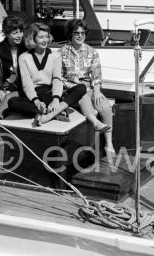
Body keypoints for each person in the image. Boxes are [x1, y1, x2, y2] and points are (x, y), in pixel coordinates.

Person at [8, 23, 86, 126]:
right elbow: (27, 83)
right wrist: (36, 101)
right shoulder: (23, 57)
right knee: (12, 102)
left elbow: (57, 79)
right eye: (41, 37)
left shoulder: (56, 56)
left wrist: (56, 99)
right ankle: (49, 111)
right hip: (34, 95)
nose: (45, 40)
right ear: (33, 39)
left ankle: (50, 114)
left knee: (81, 88)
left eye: (47, 36)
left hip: (50, 92)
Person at [60, 19, 115, 157]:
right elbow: (58, 76)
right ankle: (95, 124)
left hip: (88, 88)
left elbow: (96, 75)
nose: (80, 36)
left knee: (106, 107)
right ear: (70, 34)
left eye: (82, 33)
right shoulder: (62, 52)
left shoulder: (92, 52)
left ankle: (109, 143)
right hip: (70, 88)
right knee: (81, 95)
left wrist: (96, 90)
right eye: (76, 33)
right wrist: (73, 87)